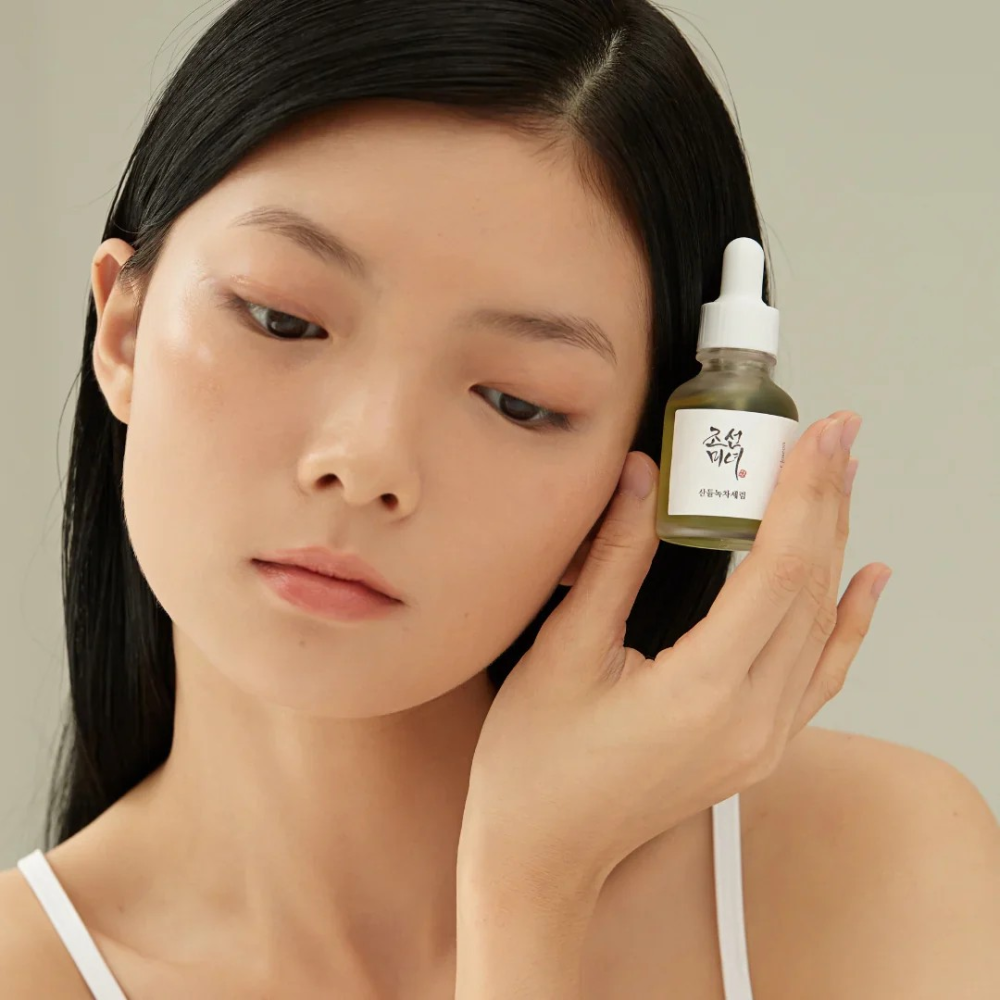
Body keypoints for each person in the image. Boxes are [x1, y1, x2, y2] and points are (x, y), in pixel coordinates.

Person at [2, 1, 999, 997]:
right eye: (283, 320)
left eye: (517, 401)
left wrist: (529, 885)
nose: (367, 460)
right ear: (122, 331)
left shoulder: (875, 869)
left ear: (631, 478)